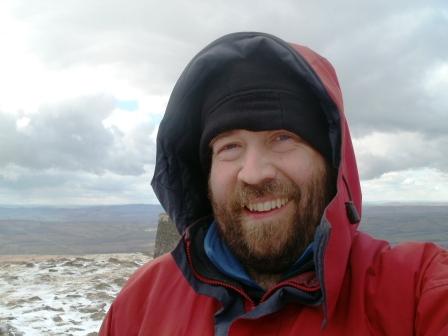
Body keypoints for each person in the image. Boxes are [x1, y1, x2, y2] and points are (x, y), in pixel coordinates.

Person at [99, 32, 448, 335]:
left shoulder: (415, 291)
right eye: (229, 147)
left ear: (330, 160)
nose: (253, 173)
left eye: (283, 138)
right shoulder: (142, 303)